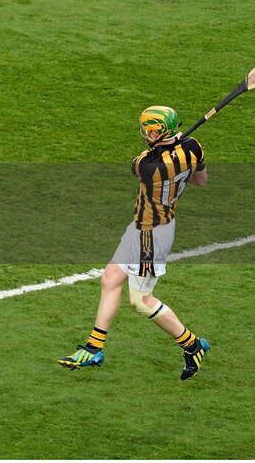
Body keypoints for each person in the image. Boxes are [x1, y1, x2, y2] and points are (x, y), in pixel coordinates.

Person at [58, 106, 210, 380]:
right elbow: (201, 180)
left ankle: (192, 345)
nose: (145, 134)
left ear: (158, 132)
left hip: (152, 234)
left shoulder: (148, 165)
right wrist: (178, 150)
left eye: (149, 130)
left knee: (141, 301)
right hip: (140, 227)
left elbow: (137, 164)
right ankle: (94, 349)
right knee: (111, 277)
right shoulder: (193, 147)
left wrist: (166, 153)